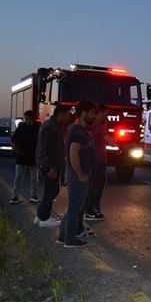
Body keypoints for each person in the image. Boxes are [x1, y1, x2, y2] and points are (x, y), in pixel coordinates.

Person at [58, 100, 97, 248]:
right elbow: (73, 154)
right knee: (75, 208)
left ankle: (63, 237)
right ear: (83, 113)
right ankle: (70, 240)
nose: (94, 116)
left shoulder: (76, 129)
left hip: (75, 174)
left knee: (73, 207)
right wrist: (80, 174)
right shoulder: (78, 132)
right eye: (92, 113)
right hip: (77, 176)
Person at [35, 105, 70, 227]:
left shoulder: (55, 125)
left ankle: (40, 215)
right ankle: (44, 218)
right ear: (61, 114)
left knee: (52, 191)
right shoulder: (50, 127)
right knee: (51, 191)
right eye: (67, 115)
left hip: (52, 164)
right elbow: (45, 148)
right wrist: (51, 167)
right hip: (50, 165)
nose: (68, 117)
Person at [84, 105, 115, 221]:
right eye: (105, 113)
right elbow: (111, 142)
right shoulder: (98, 126)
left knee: (97, 184)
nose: (106, 116)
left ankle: (93, 208)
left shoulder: (94, 126)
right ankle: (91, 210)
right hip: (97, 160)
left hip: (97, 159)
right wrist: (115, 139)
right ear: (99, 113)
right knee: (95, 186)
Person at [10, 110, 40, 204]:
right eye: (26, 119)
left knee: (34, 178)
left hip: (33, 156)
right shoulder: (21, 127)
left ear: (33, 119)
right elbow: (13, 139)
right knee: (18, 177)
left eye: (30, 119)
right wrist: (15, 149)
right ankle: (15, 197)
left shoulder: (38, 128)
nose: (28, 121)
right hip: (22, 155)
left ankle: (33, 195)